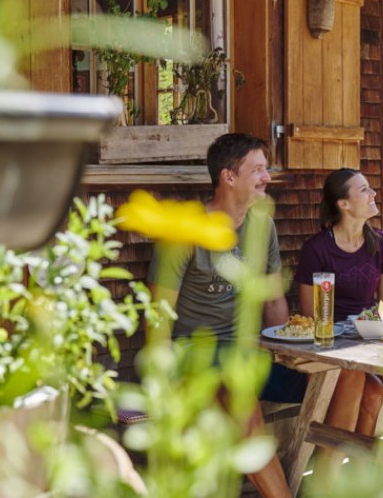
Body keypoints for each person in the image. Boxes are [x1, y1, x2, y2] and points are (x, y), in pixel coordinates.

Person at [147, 133, 303, 498]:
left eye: (267, 169)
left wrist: (289, 351)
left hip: (251, 351)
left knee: (338, 379)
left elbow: (273, 300)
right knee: (241, 400)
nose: (267, 177)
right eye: (258, 169)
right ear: (228, 177)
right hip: (197, 355)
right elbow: (158, 315)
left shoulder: (262, 225)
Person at [294, 168, 383, 448]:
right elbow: (309, 315)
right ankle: (330, 473)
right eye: (363, 190)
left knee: (375, 392)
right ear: (343, 203)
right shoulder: (317, 249)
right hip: (329, 347)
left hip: (367, 344)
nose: (373, 194)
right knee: (368, 387)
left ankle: (355, 474)